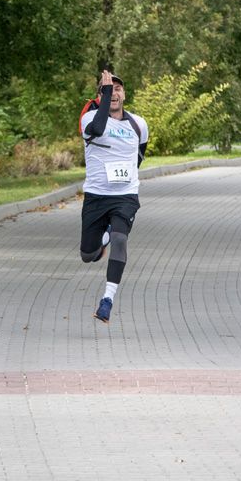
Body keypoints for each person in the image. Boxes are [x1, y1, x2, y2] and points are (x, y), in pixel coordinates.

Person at [79, 70, 149, 323]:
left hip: (125, 195)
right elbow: (98, 129)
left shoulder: (138, 124)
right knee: (88, 255)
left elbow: (139, 155)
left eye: (118, 88)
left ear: (125, 94)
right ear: (100, 96)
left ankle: (107, 299)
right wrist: (104, 97)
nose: (114, 92)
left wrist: (127, 180)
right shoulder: (89, 119)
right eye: (108, 89)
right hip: (96, 196)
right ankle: (104, 235)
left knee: (121, 239)